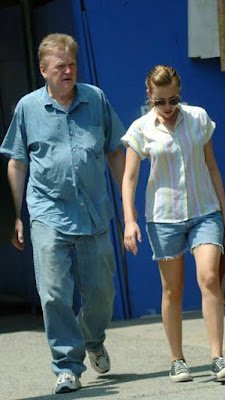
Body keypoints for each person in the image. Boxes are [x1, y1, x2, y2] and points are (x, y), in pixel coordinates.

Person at [0, 33, 126, 394]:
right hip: (47, 211)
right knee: (54, 292)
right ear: (44, 70)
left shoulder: (96, 99)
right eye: (60, 66)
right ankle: (68, 366)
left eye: (72, 64)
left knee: (102, 293)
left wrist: (128, 206)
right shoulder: (27, 108)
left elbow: (115, 150)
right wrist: (15, 214)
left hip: (94, 212)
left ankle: (93, 337)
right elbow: (18, 161)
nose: (68, 71)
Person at [121, 65, 225, 383]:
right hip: (163, 218)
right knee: (173, 290)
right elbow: (129, 178)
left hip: (205, 211)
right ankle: (178, 360)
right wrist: (129, 220)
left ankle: (217, 356)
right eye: (161, 101)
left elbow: (212, 168)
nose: (169, 107)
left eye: (174, 99)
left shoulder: (198, 118)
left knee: (210, 278)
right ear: (150, 96)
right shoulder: (140, 129)